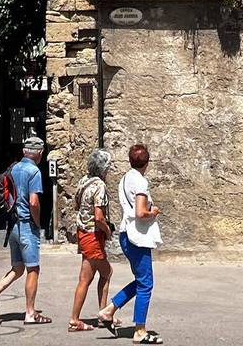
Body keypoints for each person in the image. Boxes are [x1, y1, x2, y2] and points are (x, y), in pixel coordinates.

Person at [0, 135, 52, 326]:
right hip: (27, 225)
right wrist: (37, 223)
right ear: (40, 153)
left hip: (13, 226)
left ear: (24, 152)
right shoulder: (34, 171)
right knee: (33, 269)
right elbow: (34, 202)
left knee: (17, 268)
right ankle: (30, 313)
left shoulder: (14, 168)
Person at [98, 144, 162, 344]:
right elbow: (140, 213)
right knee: (146, 284)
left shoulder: (125, 179)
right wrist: (154, 212)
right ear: (147, 162)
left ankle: (109, 310)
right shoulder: (141, 182)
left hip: (127, 235)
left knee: (142, 281)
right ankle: (140, 331)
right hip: (138, 238)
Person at [69, 149, 114, 332]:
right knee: (87, 278)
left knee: (104, 273)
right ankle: (74, 320)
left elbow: (77, 204)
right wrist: (108, 230)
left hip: (83, 232)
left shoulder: (83, 181)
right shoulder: (100, 186)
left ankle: (104, 314)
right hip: (93, 235)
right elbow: (99, 217)